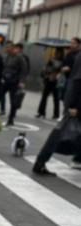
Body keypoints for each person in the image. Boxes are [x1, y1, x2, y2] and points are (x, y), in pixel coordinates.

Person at [34, 45, 81, 174]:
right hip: (75, 103)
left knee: (61, 133)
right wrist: (74, 106)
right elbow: (78, 81)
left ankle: (77, 159)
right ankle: (40, 162)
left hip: (74, 101)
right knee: (59, 134)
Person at [2, 42, 29, 126]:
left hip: (14, 82)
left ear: (13, 48)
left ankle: (11, 118)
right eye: (6, 48)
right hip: (5, 81)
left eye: (8, 48)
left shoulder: (19, 57)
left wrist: (22, 82)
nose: (6, 49)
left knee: (13, 101)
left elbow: (24, 70)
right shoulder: (6, 57)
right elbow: (3, 67)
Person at [37, 50, 63, 120]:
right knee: (44, 97)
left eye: (59, 53)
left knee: (56, 99)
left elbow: (59, 69)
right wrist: (46, 74)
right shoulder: (51, 60)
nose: (57, 54)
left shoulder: (62, 62)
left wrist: (53, 63)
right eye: (56, 53)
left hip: (56, 82)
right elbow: (46, 69)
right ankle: (41, 112)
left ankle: (56, 114)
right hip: (48, 80)